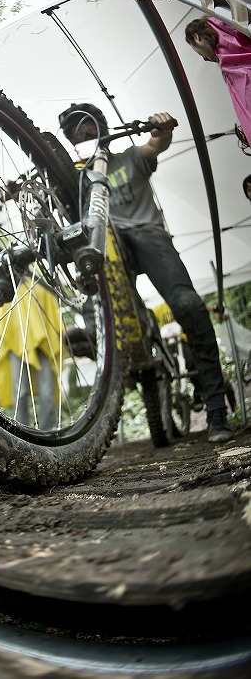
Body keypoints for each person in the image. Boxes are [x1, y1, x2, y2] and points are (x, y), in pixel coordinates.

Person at [59, 102, 234, 443]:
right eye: (75, 134)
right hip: (109, 249)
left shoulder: (129, 157)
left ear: (103, 129)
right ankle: (129, 376)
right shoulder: (78, 181)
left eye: (89, 127)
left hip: (147, 234)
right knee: (99, 320)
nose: (84, 136)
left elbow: (156, 144)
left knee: (188, 305)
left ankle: (216, 410)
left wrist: (160, 128)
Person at [0, 280, 61, 430]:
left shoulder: (40, 283)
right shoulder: (6, 285)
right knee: (19, 392)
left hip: (43, 343)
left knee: (47, 391)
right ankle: (20, 433)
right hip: (16, 345)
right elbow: (0, 315)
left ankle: (48, 433)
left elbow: (52, 310)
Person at [184, 16, 251, 148]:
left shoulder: (231, 63)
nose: (204, 58)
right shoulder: (238, 38)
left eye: (198, 52)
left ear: (196, 37)